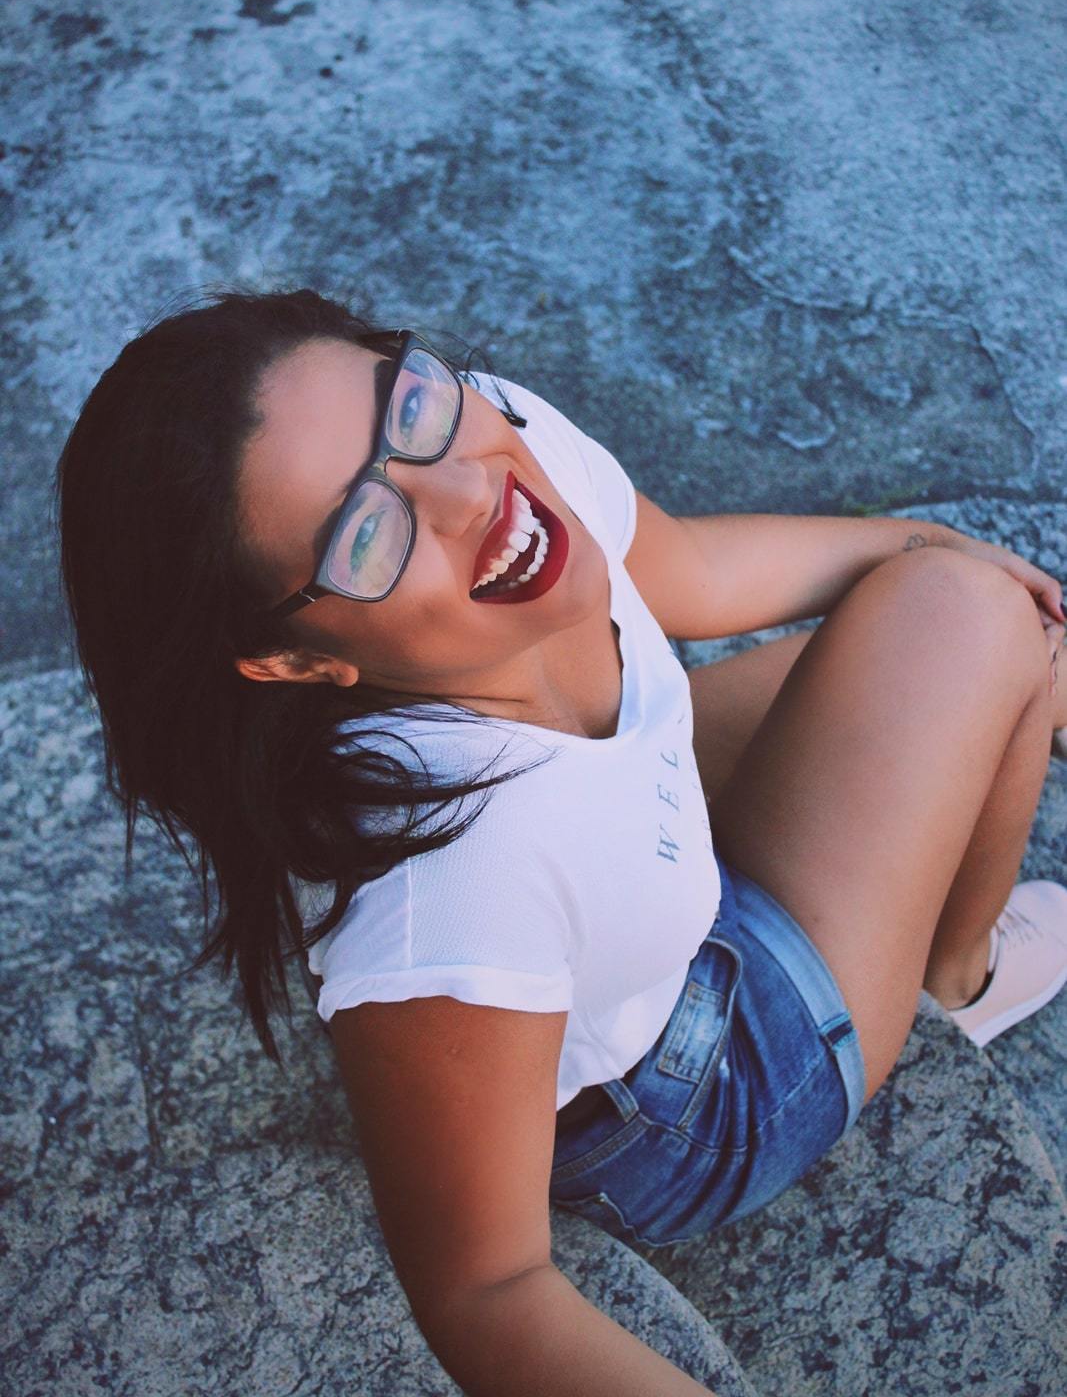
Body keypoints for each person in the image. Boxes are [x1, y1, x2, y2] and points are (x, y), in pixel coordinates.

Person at [56, 287, 1067, 1397]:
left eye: (407, 406)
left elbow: (687, 570)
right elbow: (485, 1290)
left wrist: (929, 538)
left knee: (970, 601)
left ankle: (945, 935)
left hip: (652, 855)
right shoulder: (450, 886)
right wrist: (961, 588)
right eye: (365, 532)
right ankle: (951, 979)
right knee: (975, 624)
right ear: (294, 660)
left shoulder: (486, 440)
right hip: (693, 1095)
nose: (464, 493)